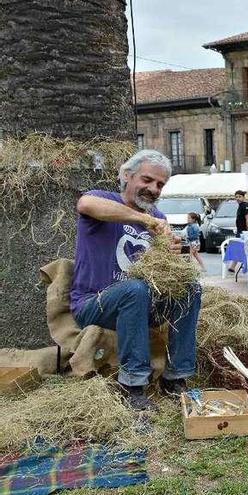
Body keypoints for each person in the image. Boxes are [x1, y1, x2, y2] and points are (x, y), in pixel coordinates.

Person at [69, 149, 201, 411]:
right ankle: (132, 384)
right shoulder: (103, 199)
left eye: (160, 185)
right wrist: (144, 218)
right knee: (135, 289)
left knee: (190, 289)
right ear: (127, 176)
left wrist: (171, 253)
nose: (153, 189)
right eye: (147, 180)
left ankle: (176, 377)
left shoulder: (159, 219)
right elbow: (85, 204)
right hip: (94, 304)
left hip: (142, 304)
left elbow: (162, 272)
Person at [227, 190, 248, 273]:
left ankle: (234, 266)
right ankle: (233, 266)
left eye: (239, 197)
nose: (237, 198)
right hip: (240, 230)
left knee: (241, 248)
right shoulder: (240, 205)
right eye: (236, 197)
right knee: (239, 248)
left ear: (243, 197)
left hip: (244, 232)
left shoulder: (245, 205)